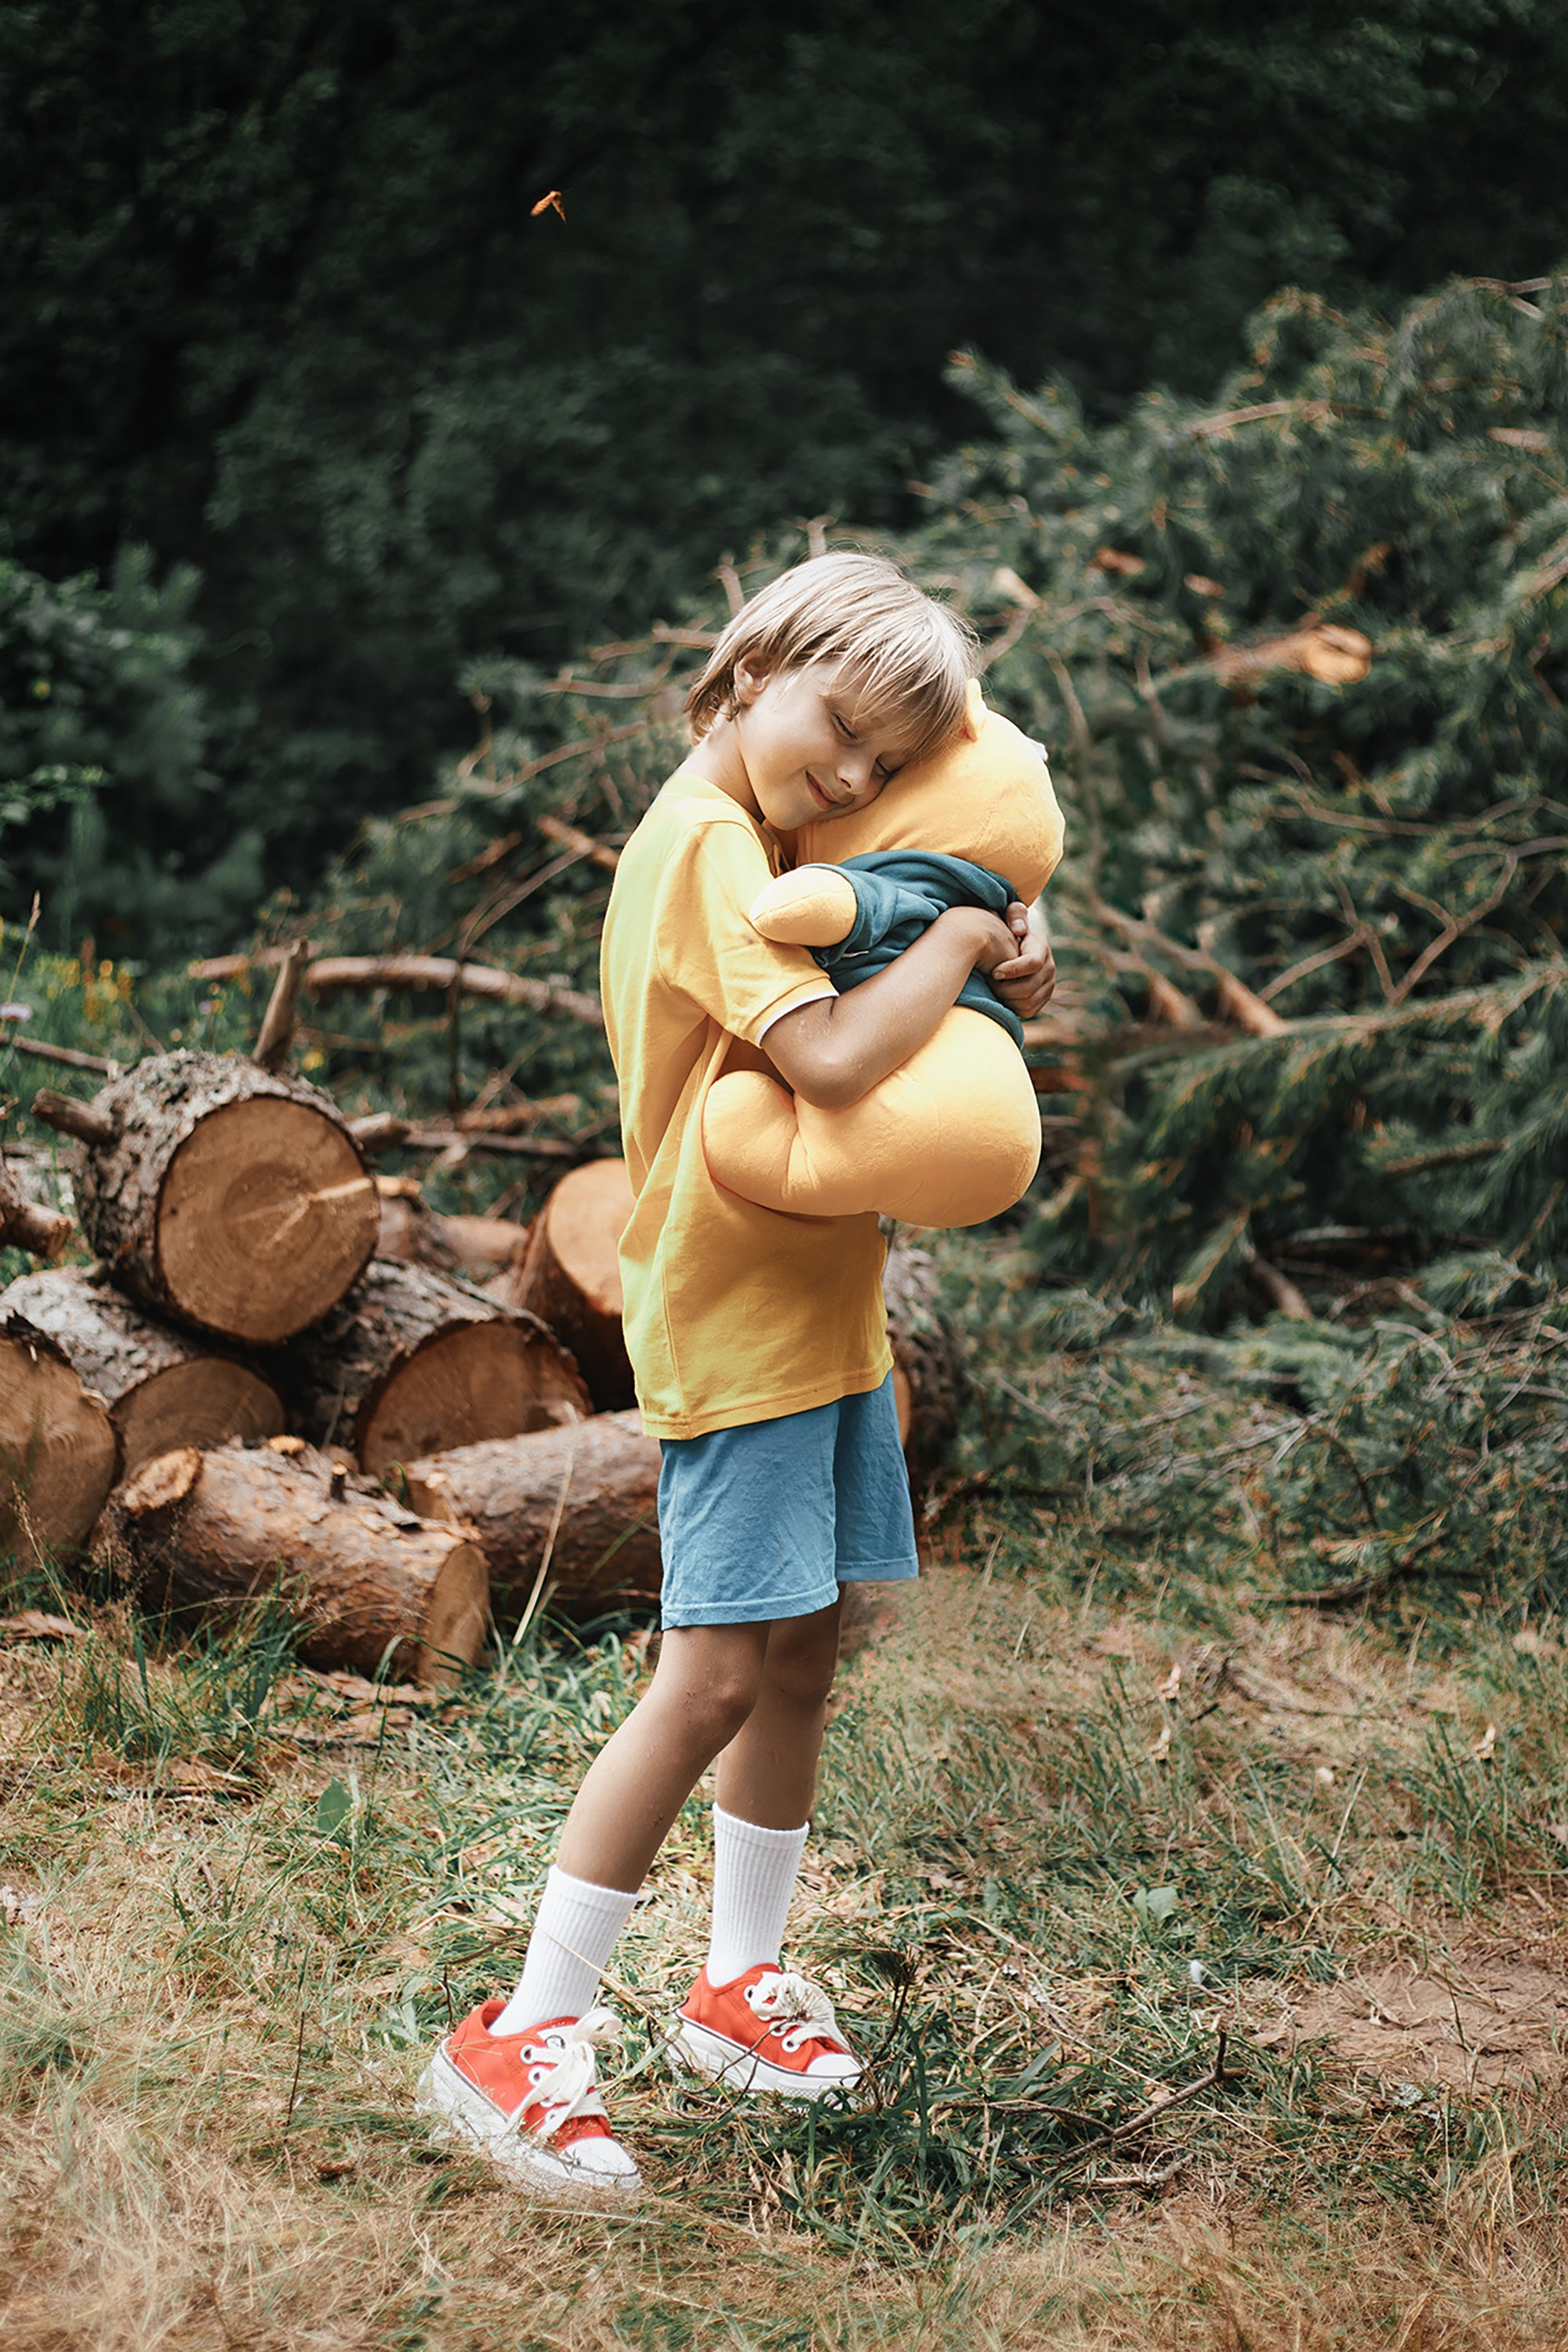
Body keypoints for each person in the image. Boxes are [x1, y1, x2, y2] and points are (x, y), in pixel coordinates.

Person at [419, 552, 1054, 2204]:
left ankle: (734, 1989)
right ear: (755, 661)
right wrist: (966, 942)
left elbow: (878, 952)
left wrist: (984, 940)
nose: (846, 780)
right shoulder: (701, 846)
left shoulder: (775, 841)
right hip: (732, 1310)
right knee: (705, 1679)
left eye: (880, 767)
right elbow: (835, 1054)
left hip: (815, 1298)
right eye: (837, 730)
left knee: (798, 1657)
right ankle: (522, 2034)